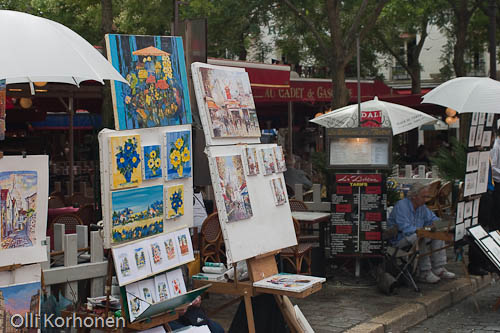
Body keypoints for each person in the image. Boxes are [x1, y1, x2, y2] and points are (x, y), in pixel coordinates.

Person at [387, 182, 456, 283]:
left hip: (416, 235)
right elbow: (405, 228)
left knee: (438, 234)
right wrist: (424, 230)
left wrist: (442, 224)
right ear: (414, 196)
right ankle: (424, 272)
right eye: (423, 197)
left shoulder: (422, 207)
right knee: (420, 236)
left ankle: (438, 268)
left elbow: (433, 219)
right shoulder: (402, 206)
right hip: (399, 239)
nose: (426, 200)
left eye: (427, 197)